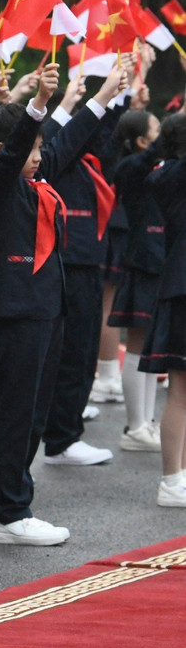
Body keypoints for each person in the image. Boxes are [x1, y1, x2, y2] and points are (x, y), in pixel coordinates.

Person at [0, 62, 127, 547]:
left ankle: (17, 503)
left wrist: (103, 97)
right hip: (14, 311)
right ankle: (10, 513)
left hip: (46, 309)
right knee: (14, 413)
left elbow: (67, 142)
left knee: (34, 413)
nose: (39, 156)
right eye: (30, 148)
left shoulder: (36, 176)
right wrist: (37, 106)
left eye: (38, 150)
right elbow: (17, 152)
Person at [35, 68, 124, 466]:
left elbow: (104, 135)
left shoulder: (89, 159)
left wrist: (118, 96)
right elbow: (63, 137)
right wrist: (90, 99)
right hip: (68, 259)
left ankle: (65, 431)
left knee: (83, 350)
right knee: (70, 352)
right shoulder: (57, 151)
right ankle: (61, 438)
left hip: (87, 259)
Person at [109, 109, 166, 452]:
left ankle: (146, 423)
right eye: (158, 130)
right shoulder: (129, 168)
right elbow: (151, 156)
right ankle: (135, 425)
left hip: (160, 262)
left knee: (150, 347)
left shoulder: (158, 168)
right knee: (137, 343)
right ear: (142, 141)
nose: (164, 134)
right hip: (142, 263)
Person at [141, 111, 186, 508]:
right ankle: (172, 479)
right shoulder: (172, 176)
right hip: (183, 290)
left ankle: (180, 475)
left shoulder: (167, 174)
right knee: (180, 391)